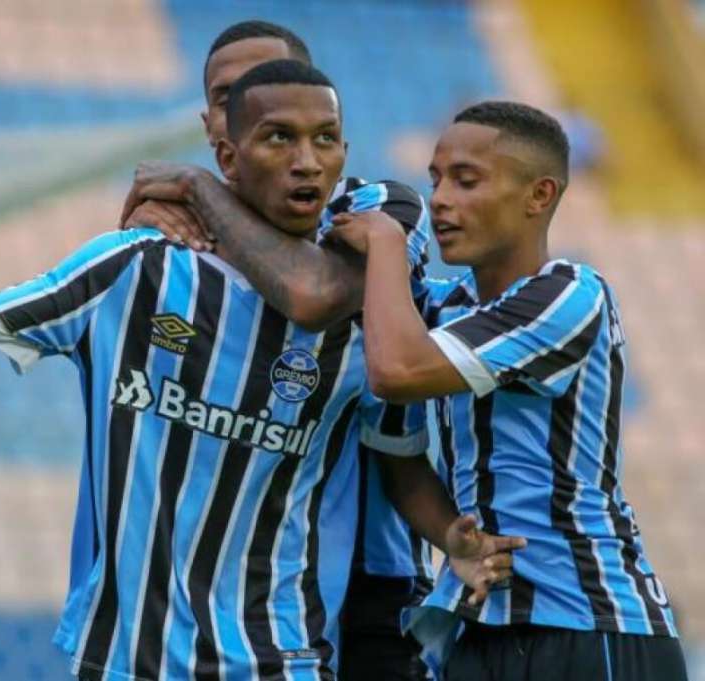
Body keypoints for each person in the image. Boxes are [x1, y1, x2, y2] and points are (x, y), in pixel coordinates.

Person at [0, 62, 522, 681]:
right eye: (280, 138)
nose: (308, 160)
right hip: (122, 654)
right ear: (227, 155)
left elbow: (398, 449)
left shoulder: (363, 308)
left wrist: (451, 535)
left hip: (276, 655)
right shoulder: (135, 269)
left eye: (325, 139)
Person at [318, 101, 688, 680]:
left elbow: (395, 371)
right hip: (479, 626)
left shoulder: (569, 294)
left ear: (538, 196)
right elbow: (400, 458)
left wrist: (388, 246)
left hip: (592, 629)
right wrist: (450, 536)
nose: (439, 198)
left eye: (466, 181)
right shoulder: (442, 310)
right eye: (436, 179)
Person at [125, 21, 440, 680]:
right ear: (215, 123)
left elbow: (312, 293)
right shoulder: (190, 234)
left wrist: (194, 188)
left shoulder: (379, 206)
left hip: (369, 587)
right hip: (219, 593)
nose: (252, 95)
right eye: (228, 93)